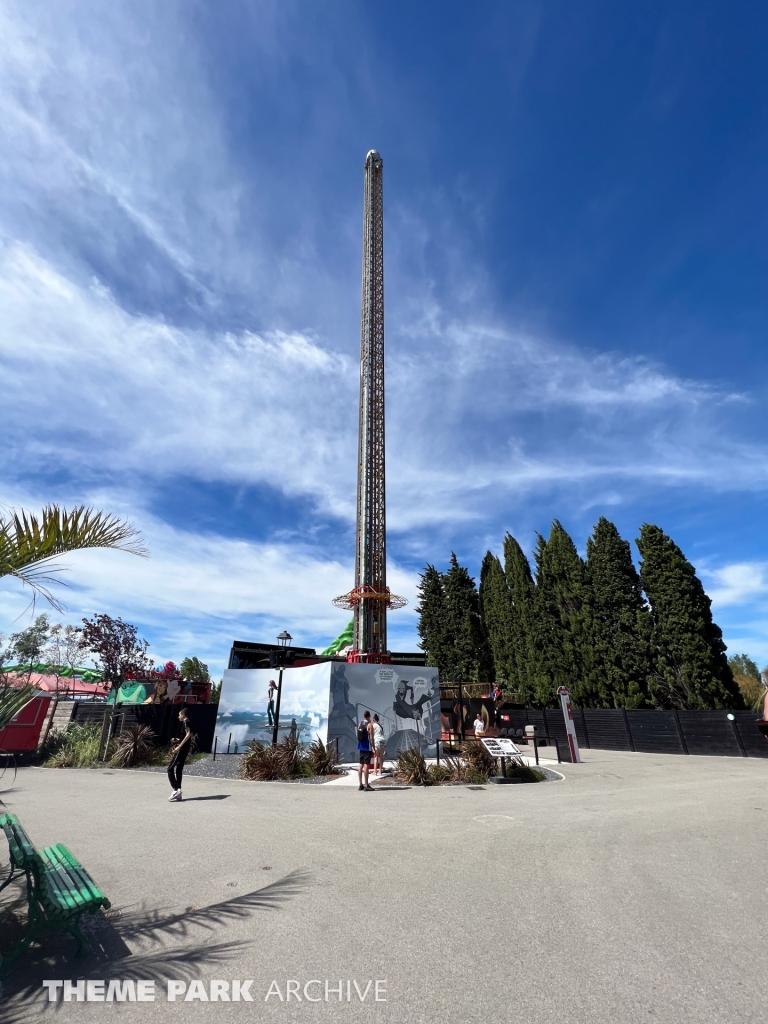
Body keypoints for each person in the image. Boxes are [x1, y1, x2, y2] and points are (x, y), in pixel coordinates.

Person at [168, 708, 192, 802]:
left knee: (170, 769)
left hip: (182, 749)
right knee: (178, 768)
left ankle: (176, 789)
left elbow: (189, 734)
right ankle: (178, 792)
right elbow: (186, 736)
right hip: (185, 748)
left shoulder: (186, 722)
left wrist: (179, 747)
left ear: (183, 715)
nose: (178, 717)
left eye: (179, 715)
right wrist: (177, 740)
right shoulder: (187, 722)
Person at [357, 710, 375, 791]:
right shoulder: (369, 725)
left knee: (361, 764)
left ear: (364, 716)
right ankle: (366, 785)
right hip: (367, 747)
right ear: (369, 716)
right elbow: (371, 738)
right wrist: (373, 747)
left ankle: (361, 784)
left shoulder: (360, 723)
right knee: (366, 765)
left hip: (360, 746)